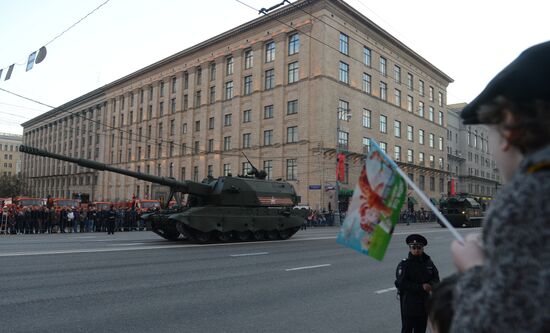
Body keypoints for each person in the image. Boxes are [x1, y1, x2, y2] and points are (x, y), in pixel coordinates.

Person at [451, 41, 550, 332]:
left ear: (509, 125)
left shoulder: (530, 198)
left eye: (491, 133)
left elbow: (492, 325)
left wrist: (473, 270)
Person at [395, 234, 440, 333]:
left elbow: (436, 278)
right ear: (410, 249)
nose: (416, 250)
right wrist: (420, 287)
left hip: (424, 303)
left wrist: (431, 285)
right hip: (409, 304)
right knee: (407, 329)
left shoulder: (428, 263)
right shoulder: (404, 264)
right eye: (413, 247)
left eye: (419, 247)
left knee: (421, 330)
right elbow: (401, 283)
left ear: (423, 248)